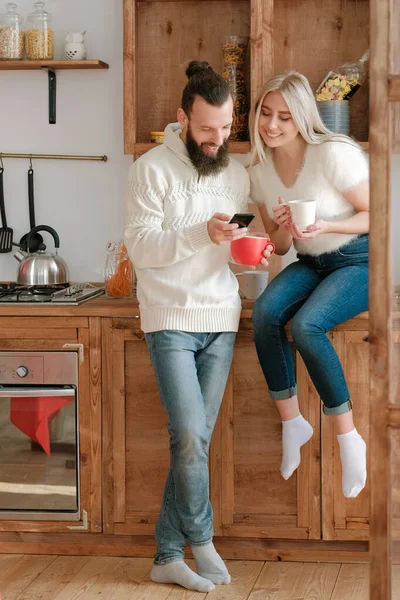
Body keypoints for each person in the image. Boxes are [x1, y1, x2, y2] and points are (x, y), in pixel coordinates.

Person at [124, 61, 271, 592]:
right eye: (206, 128)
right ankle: (202, 540)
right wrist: (196, 234)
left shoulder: (235, 174)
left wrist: (251, 259)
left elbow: (228, 255)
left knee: (195, 441)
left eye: (225, 128)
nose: (216, 139)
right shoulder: (150, 170)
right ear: (182, 118)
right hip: (170, 321)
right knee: (187, 433)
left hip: (221, 320)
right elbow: (141, 249)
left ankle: (167, 554)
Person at [248, 70, 369, 499]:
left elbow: (375, 214)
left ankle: (348, 437)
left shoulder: (334, 153)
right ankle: (292, 423)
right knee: (263, 313)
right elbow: (280, 247)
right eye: (266, 114)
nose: (273, 125)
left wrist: (327, 225)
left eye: (285, 116)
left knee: (306, 326)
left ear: (302, 117)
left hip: (358, 260)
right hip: (310, 261)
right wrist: (282, 227)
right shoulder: (260, 171)